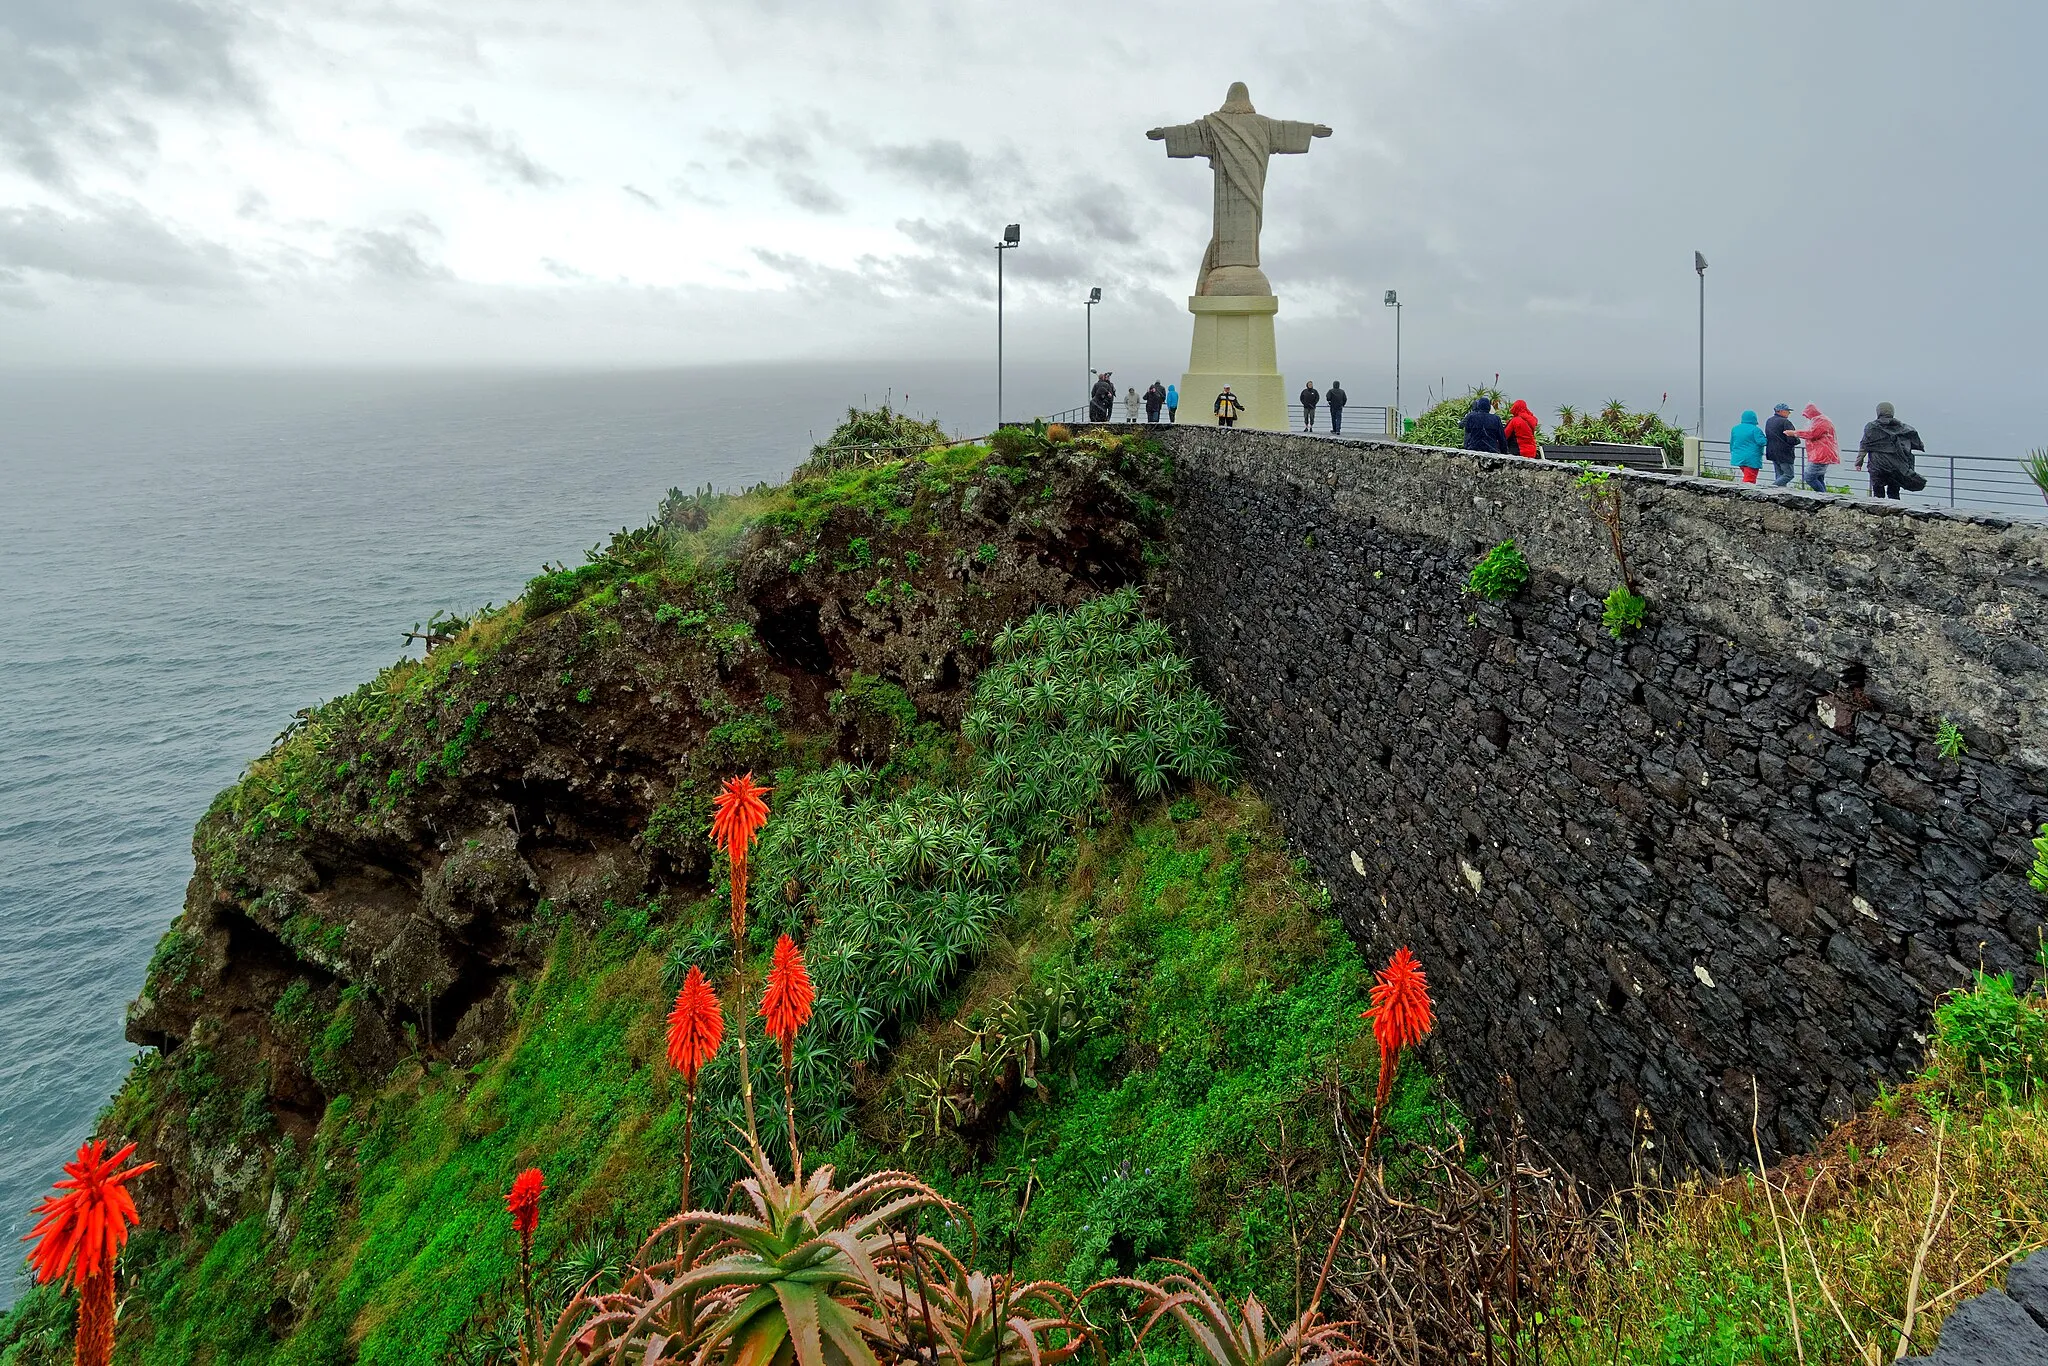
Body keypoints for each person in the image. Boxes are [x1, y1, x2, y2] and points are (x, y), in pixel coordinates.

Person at [1857, 401, 1925, 500]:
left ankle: (1878, 513)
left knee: (1878, 494)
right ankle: (1895, 513)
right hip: (1896, 466)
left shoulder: (1871, 427)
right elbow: (1913, 444)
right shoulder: (1902, 428)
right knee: (1894, 493)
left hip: (1877, 466)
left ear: (1878, 412)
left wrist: (1859, 462)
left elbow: (1864, 445)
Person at [1790, 403, 1839, 493]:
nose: (1807, 418)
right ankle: (1823, 496)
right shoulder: (1821, 420)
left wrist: (1795, 433)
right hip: (1821, 453)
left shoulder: (1822, 421)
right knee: (1818, 477)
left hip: (1821, 454)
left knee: (1809, 477)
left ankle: (1822, 496)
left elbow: (1812, 434)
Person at [1764, 402, 1801, 487]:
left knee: (1779, 474)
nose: (1789, 413)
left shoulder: (1769, 421)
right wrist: (1798, 440)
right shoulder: (1786, 422)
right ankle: (1771, 488)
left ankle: (1779, 493)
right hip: (1784, 452)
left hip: (1772, 451)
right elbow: (1791, 439)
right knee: (1789, 475)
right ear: (1780, 411)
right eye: (1787, 411)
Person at [1729, 409, 1766, 484]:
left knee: (1747, 476)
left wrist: (1733, 453)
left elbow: (1732, 443)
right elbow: (1762, 442)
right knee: (1750, 480)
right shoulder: (1756, 430)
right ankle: (1744, 493)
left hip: (1738, 456)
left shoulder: (1735, 429)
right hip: (1751, 459)